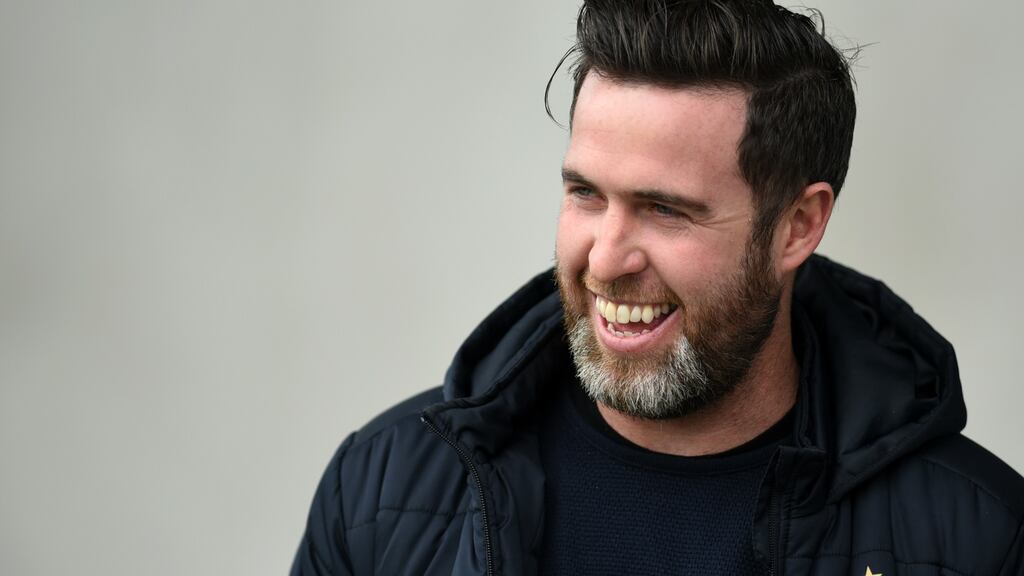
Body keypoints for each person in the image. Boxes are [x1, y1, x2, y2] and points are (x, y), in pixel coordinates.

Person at [291, 0, 1024, 574]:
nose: (606, 258)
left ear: (798, 226)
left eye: (665, 210)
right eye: (585, 195)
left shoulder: (977, 539)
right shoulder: (380, 496)